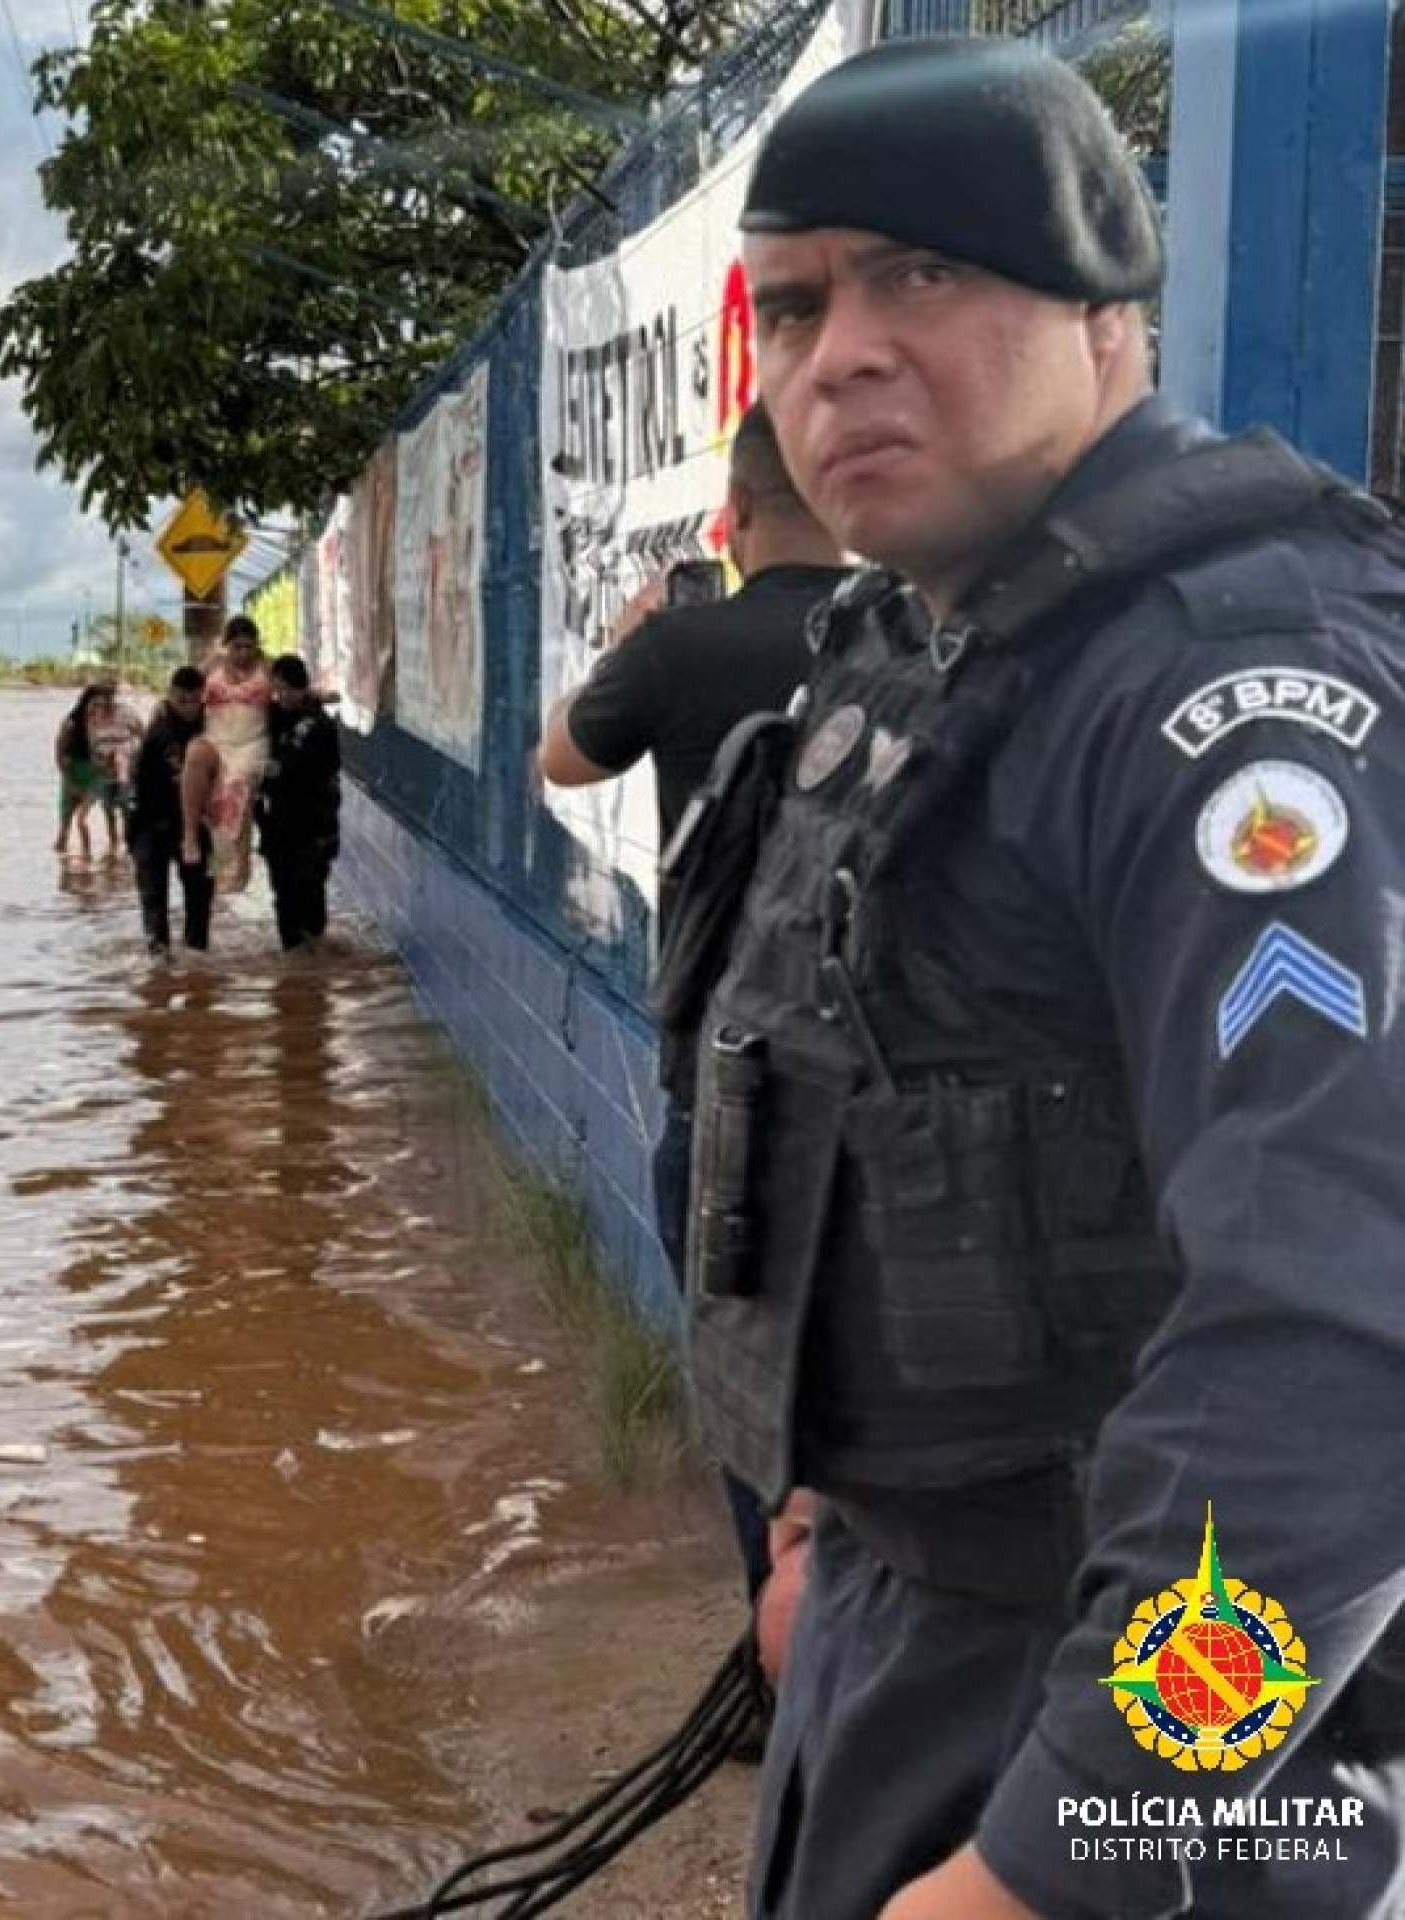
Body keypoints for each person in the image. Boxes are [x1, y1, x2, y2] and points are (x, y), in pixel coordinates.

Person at [654, 37, 1405, 1920]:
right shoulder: (921, 658)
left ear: (1107, 322)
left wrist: (1065, 1847)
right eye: (801, 299)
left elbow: (1343, 1349)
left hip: (1186, 1744)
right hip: (912, 1633)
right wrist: (832, 1518)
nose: (843, 354)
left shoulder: (1229, 702)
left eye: (924, 273)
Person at [542, 400, 849, 1615]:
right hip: (896, 1090)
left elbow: (556, 759)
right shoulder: (926, 639)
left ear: (729, 521)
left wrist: (626, 641)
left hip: (730, 1091)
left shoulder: (681, 651)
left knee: (743, 1387)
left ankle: (773, 1650)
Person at [179, 615, 273, 892]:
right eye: (237, 647)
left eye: (248, 647)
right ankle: (190, 835)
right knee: (195, 754)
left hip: (251, 741)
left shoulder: (266, 667)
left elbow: (290, 687)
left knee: (235, 790)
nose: (243, 653)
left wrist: (315, 696)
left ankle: (236, 869)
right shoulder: (212, 667)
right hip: (216, 739)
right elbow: (185, 690)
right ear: (227, 645)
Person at [255, 654, 341, 952]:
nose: (280, 697)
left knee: (310, 891)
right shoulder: (275, 718)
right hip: (279, 828)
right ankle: (297, 963)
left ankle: (312, 961)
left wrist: (271, 770)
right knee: (284, 895)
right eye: (276, 691)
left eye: (285, 690)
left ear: (300, 687)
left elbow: (298, 772)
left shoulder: (319, 727)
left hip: (313, 826)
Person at [127, 667, 213, 954]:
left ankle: (197, 963)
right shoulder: (156, 733)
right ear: (171, 696)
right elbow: (135, 780)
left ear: (202, 696)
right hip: (151, 824)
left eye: (193, 699)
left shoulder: (212, 727)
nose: (187, 706)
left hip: (195, 825)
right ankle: (158, 960)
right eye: (181, 699)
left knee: (200, 895)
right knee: (153, 896)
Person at [52, 681, 117, 858]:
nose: (98, 709)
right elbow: (59, 755)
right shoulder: (70, 724)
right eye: (95, 704)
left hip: (95, 776)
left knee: (82, 819)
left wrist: (109, 765)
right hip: (72, 773)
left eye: (103, 705)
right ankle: (67, 866)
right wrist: (69, 781)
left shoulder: (105, 725)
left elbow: (108, 753)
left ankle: (88, 858)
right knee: (63, 831)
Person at [89, 683, 145, 858]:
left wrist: (136, 758)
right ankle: (113, 844)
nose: (104, 701)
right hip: (104, 767)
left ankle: (130, 843)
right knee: (107, 807)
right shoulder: (92, 716)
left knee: (126, 805)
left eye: (108, 696)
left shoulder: (126, 713)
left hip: (126, 766)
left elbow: (142, 733)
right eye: (101, 697)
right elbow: (89, 741)